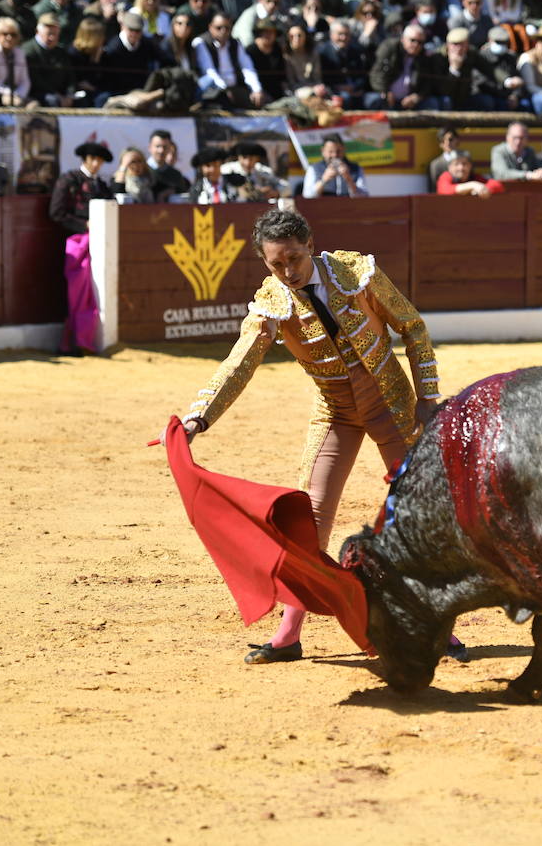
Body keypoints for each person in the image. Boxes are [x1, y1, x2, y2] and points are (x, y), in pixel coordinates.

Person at [169, 208, 465, 664]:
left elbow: (413, 327)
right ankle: (289, 635)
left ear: (310, 244)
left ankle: (440, 627)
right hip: (336, 412)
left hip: (391, 403)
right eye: (276, 265)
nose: (287, 272)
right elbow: (240, 361)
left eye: (293, 259)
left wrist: (427, 396)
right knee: (309, 519)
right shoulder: (272, 301)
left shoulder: (356, 272)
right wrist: (199, 417)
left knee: (419, 513)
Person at [50, 141, 114, 235]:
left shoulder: (102, 185)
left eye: (100, 160)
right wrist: (84, 224)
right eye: (92, 158)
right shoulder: (69, 179)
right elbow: (57, 212)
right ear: (84, 159)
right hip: (72, 237)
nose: (96, 163)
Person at [303, 133, 368, 198]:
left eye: (338, 151)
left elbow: (364, 197)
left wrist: (348, 179)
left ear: (344, 150)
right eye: (330, 152)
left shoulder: (356, 169)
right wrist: (324, 180)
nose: (335, 155)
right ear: (323, 151)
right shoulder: (313, 168)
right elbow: (307, 196)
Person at [436, 149, 504, 196]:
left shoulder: (474, 177)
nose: (461, 168)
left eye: (464, 164)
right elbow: (444, 190)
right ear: (449, 167)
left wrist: (484, 189)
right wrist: (472, 185)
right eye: (456, 164)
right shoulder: (446, 176)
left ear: (470, 166)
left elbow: (498, 185)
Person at [147, 129, 191, 202]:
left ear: (169, 148)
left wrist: (172, 191)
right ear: (150, 147)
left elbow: (183, 198)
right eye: (157, 146)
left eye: (165, 147)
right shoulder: (141, 170)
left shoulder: (176, 175)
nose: (161, 150)